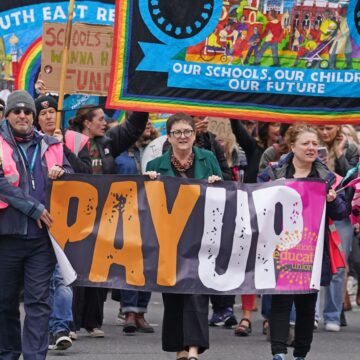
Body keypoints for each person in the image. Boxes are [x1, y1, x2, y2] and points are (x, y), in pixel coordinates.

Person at [258, 124, 346, 360]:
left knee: (307, 306)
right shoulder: (274, 173)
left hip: (312, 251)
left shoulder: (326, 176)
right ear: (292, 146)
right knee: (280, 302)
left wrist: (333, 199)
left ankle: (300, 354)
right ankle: (278, 353)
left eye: (314, 144)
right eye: (305, 143)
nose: (311, 148)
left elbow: (341, 212)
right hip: (280, 249)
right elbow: (256, 201)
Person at [0, 90, 71, 359]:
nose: (22, 115)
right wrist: (34, 208)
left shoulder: (51, 144)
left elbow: (73, 177)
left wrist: (63, 173)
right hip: (6, 236)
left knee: (39, 303)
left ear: (34, 117)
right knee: (4, 303)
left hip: (42, 240)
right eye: (16, 111)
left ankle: (34, 356)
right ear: (8, 115)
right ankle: (8, 353)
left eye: (27, 111)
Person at [146, 112, 222, 360]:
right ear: (169, 137)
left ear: (194, 134)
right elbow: (145, 204)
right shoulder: (155, 166)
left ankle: (193, 350)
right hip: (170, 241)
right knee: (174, 294)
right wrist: (148, 184)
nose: (182, 137)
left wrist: (216, 183)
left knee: (198, 293)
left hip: (202, 238)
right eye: (177, 132)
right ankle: (180, 348)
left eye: (187, 132)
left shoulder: (208, 159)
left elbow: (228, 192)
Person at [69, 105, 148, 337]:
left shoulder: (107, 142)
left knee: (97, 267)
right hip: (75, 214)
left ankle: (93, 323)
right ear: (87, 122)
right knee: (74, 268)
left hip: (103, 215)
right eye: (100, 119)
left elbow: (132, 129)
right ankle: (70, 323)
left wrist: (141, 104)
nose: (105, 123)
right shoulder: (67, 140)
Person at [34, 95, 92, 349]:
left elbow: (80, 174)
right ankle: (44, 328)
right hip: (34, 220)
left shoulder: (65, 142)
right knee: (41, 281)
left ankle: (60, 328)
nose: (48, 117)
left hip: (61, 222)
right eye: (43, 113)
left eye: (52, 113)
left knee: (61, 278)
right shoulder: (27, 143)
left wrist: (62, 163)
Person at [113, 118, 159, 334]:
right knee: (129, 260)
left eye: (150, 122)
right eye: (144, 122)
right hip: (126, 210)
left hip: (153, 211)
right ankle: (129, 311)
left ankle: (141, 311)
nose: (147, 124)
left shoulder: (157, 149)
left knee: (149, 261)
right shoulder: (120, 151)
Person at [316, 124, 359, 331]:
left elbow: (351, 180)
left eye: (329, 128)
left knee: (339, 265)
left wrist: (341, 153)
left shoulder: (350, 148)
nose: (325, 133)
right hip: (314, 209)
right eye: (321, 129)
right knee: (311, 262)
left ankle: (332, 315)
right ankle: (312, 314)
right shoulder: (311, 145)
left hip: (342, 211)